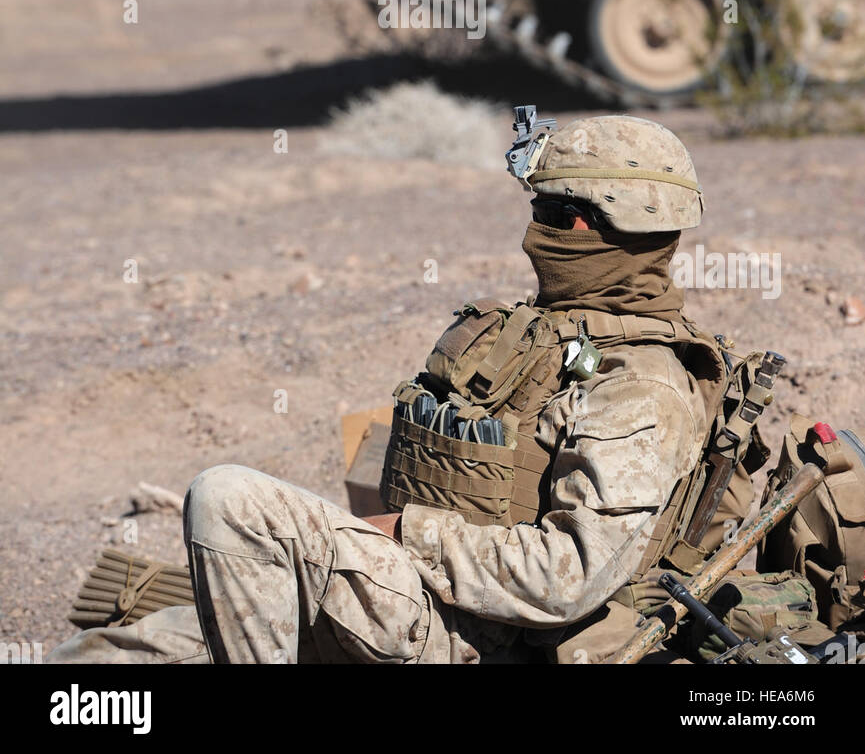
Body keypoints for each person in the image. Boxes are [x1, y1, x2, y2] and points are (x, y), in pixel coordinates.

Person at [53, 109, 773, 665]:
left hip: (480, 638)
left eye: (551, 215)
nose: (536, 233)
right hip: (411, 595)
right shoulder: (542, 334)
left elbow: (568, 578)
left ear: (597, 225)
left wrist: (408, 535)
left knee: (229, 498)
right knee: (112, 659)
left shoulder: (638, 384)